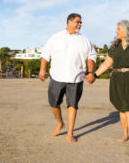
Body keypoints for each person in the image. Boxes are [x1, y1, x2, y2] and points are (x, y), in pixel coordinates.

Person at [89, 20, 129, 146]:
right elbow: (107, 63)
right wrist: (95, 74)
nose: (116, 31)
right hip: (117, 79)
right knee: (122, 108)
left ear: (126, 30)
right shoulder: (114, 47)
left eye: (118, 29)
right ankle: (125, 134)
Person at [39, 13, 97, 143]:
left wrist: (91, 72)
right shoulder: (55, 37)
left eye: (81, 22)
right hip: (57, 76)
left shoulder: (85, 40)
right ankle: (60, 123)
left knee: (73, 105)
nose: (80, 24)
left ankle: (70, 132)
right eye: (78, 22)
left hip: (76, 78)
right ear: (69, 22)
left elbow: (92, 57)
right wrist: (42, 69)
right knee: (54, 104)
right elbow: (45, 54)